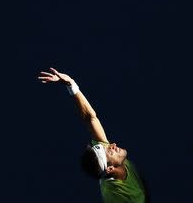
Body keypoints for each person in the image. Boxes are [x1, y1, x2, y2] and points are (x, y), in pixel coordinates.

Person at [38, 68, 149, 203]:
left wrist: (71, 85)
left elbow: (89, 118)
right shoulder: (115, 196)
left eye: (109, 147)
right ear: (110, 169)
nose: (112, 145)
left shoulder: (105, 155)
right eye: (111, 150)